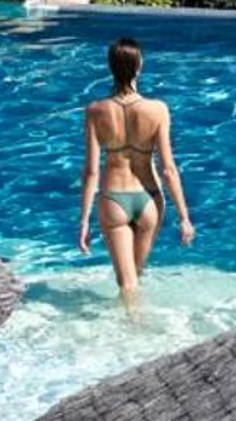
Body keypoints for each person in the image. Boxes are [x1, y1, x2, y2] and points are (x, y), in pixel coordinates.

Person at [78, 35, 193, 307]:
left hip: (113, 199)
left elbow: (91, 172)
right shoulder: (158, 110)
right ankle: (137, 324)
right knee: (135, 278)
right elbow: (168, 169)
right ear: (139, 66)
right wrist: (184, 217)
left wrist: (83, 221)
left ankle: (133, 332)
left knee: (126, 283)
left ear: (111, 68)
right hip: (149, 200)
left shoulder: (95, 111)